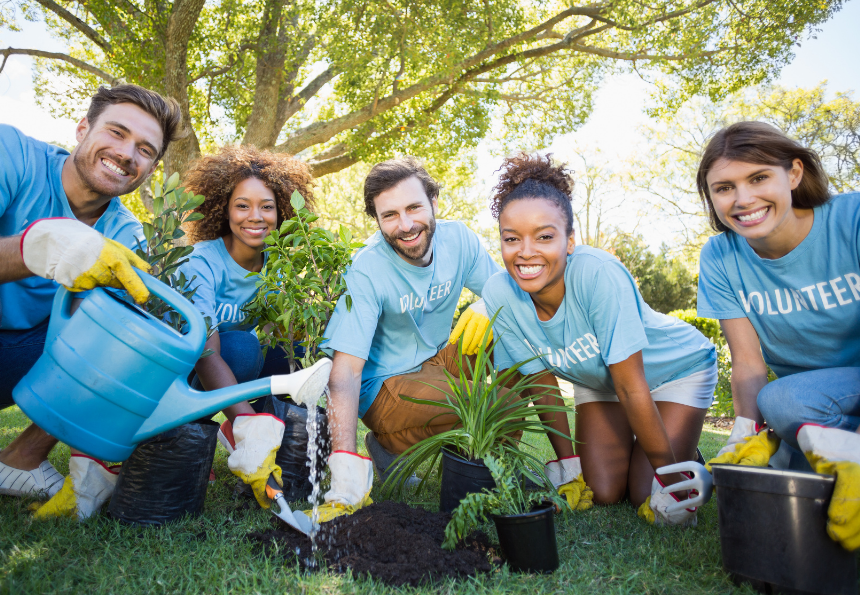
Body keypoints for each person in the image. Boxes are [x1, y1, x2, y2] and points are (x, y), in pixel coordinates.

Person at [0, 84, 182, 519]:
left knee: (126, 336)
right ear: (82, 128)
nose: (127, 153)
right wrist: (40, 249)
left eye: (145, 150)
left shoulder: (125, 234)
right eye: (116, 132)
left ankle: (19, 461)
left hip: (7, 366)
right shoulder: (4, 151)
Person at [478, 152, 717, 526]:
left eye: (544, 236)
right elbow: (539, 382)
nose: (525, 252)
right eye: (512, 238)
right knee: (603, 492)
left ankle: (686, 459)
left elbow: (631, 385)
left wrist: (672, 487)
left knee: (645, 492)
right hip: (600, 383)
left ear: (569, 241)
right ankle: (659, 444)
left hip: (675, 372)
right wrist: (569, 468)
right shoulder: (499, 293)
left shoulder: (597, 274)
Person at [695, 121, 860, 550]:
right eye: (724, 188)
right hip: (809, 413)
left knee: (784, 401)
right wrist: (741, 440)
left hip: (832, 400)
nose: (743, 199)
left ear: (794, 174)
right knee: (805, 508)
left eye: (758, 177)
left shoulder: (852, 218)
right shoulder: (720, 256)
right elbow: (748, 364)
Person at [316, 156, 504, 521]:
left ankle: (492, 463)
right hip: (386, 386)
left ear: (434, 203)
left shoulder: (459, 240)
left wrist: (489, 304)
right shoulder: (367, 267)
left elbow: (507, 291)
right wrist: (344, 471)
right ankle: (397, 442)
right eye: (389, 215)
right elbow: (346, 372)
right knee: (493, 407)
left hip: (436, 363)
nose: (405, 225)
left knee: (505, 325)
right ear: (377, 220)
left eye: (414, 208)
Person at [178, 145, 314, 507]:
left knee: (298, 354)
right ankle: (204, 433)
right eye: (242, 205)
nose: (255, 217)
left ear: (282, 210)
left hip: (232, 371)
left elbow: (286, 345)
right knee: (238, 348)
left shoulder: (278, 266)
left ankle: (275, 448)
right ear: (223, 209)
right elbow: (205, 354)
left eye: (266, 206)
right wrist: (250, 431)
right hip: (183, 378)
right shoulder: (200, 262)